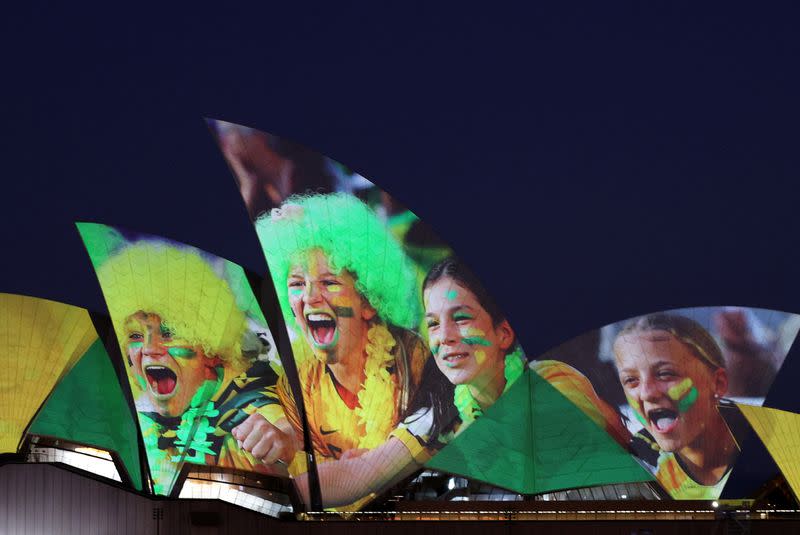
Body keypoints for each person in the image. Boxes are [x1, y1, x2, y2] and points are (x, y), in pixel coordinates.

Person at [292, 257, 629, 507]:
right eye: (434, 324)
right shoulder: (442, 408)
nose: (446, 338)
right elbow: (360, 474)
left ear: (503, 333)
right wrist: (278, 496)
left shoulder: (549, 382)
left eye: (461, 318)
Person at [236, 193, 427, 479]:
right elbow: (310, 473)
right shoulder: (298, 386)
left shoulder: (413, 360)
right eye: (297, 283)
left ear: (368, 300)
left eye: (329, 282)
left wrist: (384, 466)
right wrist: (284, 447)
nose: (310, 297)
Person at [96, 241, 290, 493]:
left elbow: (280, 425)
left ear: (209, 348)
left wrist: (283, 439)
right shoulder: (139, 423)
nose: (149, 348)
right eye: (134, 335)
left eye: (169, 333)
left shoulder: (249, 399)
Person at [613, 313, 747, 499]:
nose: (646, 393)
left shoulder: (770, 436)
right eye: (631, 380)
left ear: (718, 383)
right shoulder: (639, 461)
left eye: (665, 374)